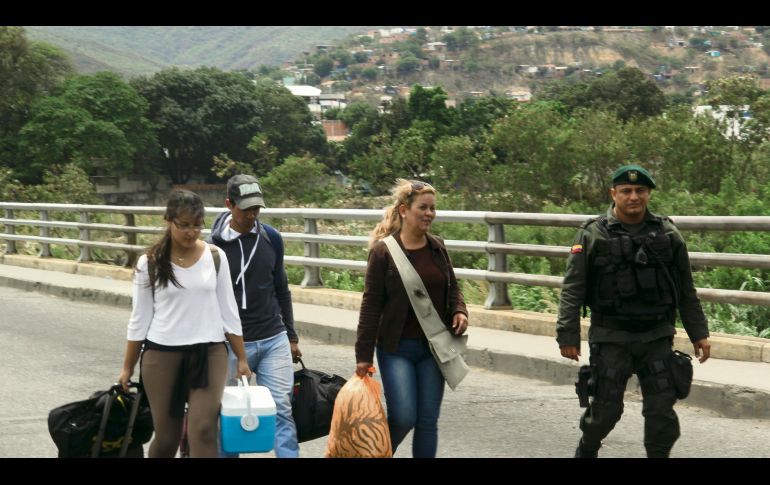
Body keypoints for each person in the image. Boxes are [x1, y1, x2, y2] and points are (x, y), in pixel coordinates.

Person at [556, 164, 711, 458]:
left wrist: (699, 333)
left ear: (648, 193)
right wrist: (567, 333)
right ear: (613, 193)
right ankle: (587, 449)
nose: (633, 197)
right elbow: (573, 288)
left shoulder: (668, 234)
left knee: (661, 411)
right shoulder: (592, 234)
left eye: (640, 190)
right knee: (605, 410)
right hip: (611, 337)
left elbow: (686, 290)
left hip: (656, 336)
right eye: (626, 191)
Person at [118, 189, 250, 458]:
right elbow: (139, 320)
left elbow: (229, 311)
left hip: (210, 353)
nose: (192, 232)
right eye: (185, 225)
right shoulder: (150, 263)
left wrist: (242, 358)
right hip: (161, 356)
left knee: (203, 430)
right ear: (169, 221)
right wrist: (127, 368)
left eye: (197, 225)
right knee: (166, 438)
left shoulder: (215, 257)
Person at [355, 179, 469, 458]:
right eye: (423, 208)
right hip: (396, 348)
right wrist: (363, 356)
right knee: (404, 416)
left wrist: (459, 310)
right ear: (404, 210)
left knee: (428, 421)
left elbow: (453, 287)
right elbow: (371, 305)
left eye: (433, 208)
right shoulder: (384, 252)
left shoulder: (437, 247)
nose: (429, 213)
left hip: (433, 348)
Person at [208, 174, 302, 458]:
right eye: (245, 209)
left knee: (282, 410)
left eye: (256, 209)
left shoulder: (270, 237)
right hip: (230, 344)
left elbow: (281, 288)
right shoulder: (212, 248)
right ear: (229, 204)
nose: (252, 215)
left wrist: (292, 336)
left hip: (273, 338)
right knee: (228, 416)